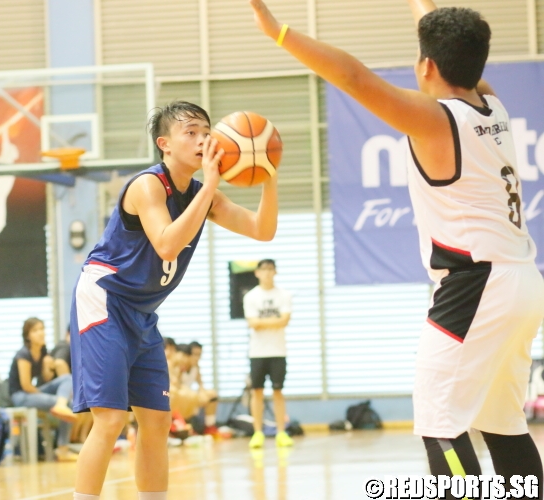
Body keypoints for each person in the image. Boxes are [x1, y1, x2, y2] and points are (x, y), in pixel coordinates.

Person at [249, 0, 544, 492]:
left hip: (476, 286)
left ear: (425, 65)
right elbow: (444, 42)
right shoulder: (491, 103)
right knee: (502, 421)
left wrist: (278, 31)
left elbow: (356, 79)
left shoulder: (435, 119)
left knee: (439, 422)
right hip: (520, 280)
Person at [69, 100, 279, 500]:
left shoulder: (202, 195)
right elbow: (166, 245)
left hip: (142, 312)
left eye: (206, 131)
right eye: (192, 132)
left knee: (157, 422)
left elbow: (262, 229)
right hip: (105, 298)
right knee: (111, 419)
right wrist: (214, 184)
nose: (203, 139)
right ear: (165, 144)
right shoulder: (148, 185)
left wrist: (268, 174)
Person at [8, 317, 78, 461]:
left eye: (42, 329)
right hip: (20, 395)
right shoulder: (23, 355)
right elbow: (26, 385)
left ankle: (62, 449)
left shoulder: (43, 351)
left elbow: (46, 378)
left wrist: (47, 365)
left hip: (33, 392)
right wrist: (42, 394)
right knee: (64, 403)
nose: (40, 333)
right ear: (27, 335)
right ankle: (59, 404)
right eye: (35, 330)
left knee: (67, 381)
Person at [242, 259, 292, 448]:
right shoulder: (251, 297)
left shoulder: (284, 295)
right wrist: (275, 320)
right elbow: (253, 323)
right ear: (257, 273)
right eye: (264, 269)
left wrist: (265, 322)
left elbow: (285, 320)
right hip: (257, 352)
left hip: (278, 351)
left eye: (271, 269)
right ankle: (257, 432)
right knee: (257, 392)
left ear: (275, 272)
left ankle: (281, 432)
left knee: (278, 391)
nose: (267, 273)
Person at [184, 341, 219, 434]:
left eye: (199, 355)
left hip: (191, 395)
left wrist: (203, 395)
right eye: (194, 354)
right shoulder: (181, 366)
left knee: (212, 394)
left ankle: (210, 425)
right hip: (182, 396)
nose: (197, 358)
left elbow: (201, 385)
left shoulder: (196, 367)